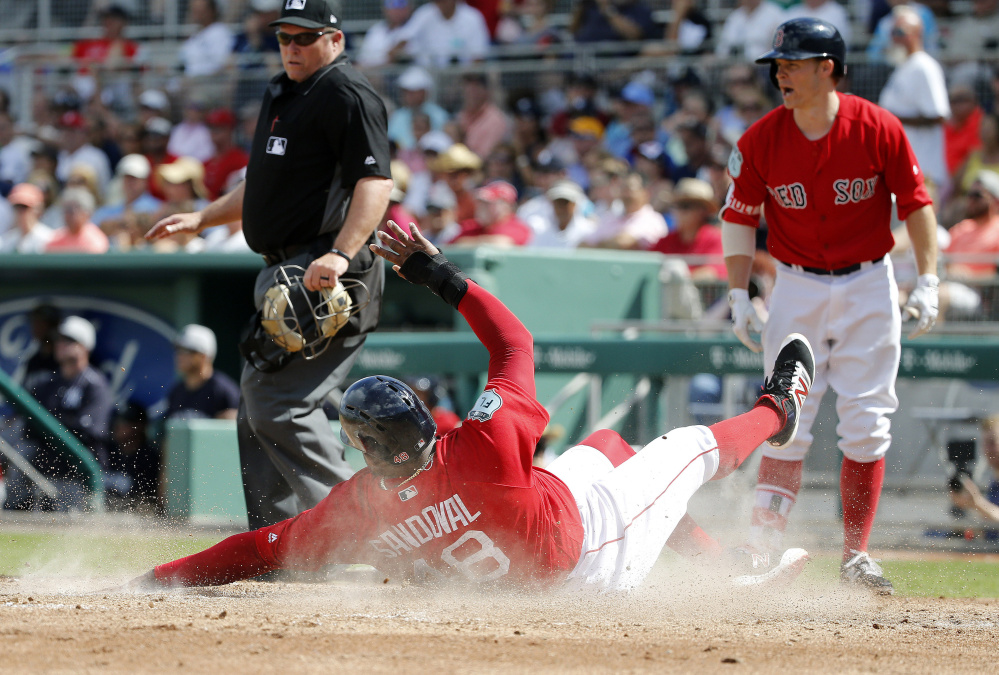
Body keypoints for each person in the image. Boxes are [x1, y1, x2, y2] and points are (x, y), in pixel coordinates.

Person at [127, 221, 816, 592]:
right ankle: (778, 409)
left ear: (365, 450)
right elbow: (514, 340)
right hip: (588, 559)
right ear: (425, 421)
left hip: (515, 569)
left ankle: (715, 565)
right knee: (687, 448)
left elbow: (256, 548)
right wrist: (436, 274)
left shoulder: (361, 505)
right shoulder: (479, 441)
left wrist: (157, 578)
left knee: (606, 446)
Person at [145, 0, 393, 530]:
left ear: (336, 40)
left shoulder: (346, 93)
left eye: (304, 37)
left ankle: (365, 531)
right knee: (258, 407)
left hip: (329, 272)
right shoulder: (285, 91)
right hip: (286, 269)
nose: (292, 47)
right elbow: (262, 183)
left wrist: (340, 253)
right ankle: (282, 542)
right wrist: (203, 218)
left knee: (282, 404)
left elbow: (376, 183)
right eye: (285, 37)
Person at [721, 18, 940, 595]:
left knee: (867, 423)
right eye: (778, 65)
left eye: (793, 63)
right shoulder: (761, 138)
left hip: (870, 282)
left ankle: (856, 555)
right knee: (783, 421)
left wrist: (930, 279)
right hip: (796, 284)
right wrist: (738, 293)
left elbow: (917, 205)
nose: (781, 73)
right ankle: (760, 545)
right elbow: (739, 218)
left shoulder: (878, 127)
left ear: (828, 67)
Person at [3, 316, 113, 511]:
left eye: (68, 340)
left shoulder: (95, 385)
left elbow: (89, 431)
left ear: (85, 346)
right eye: (58, 340)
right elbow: (30, 427)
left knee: (73, 533)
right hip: (43, 473)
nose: (60, 345)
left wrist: (52, 424)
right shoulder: (48, 384)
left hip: (77, 477)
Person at [877, 6, 950, 195]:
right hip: (905, 170)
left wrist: (892, 119)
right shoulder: (904, 66)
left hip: (924, 172)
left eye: (900, 32)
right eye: (893, 32)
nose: (895, 38)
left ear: (917, 33)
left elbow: (938, 116)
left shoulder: (924, 67)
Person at [648, 178, 726, 280]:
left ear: (703, 211)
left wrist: (677, 279)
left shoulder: (716, 238)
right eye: (676, 206)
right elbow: (647, 269)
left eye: (686, 206)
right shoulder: (666, 241)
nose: (679, 212)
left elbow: (713, 273)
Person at [165, 324, 240, 421]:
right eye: (178, 350)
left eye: (186, 351)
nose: (179, 356)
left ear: (203, 356)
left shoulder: (224, 391)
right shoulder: (176, 392)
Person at [396, 0, 491, 69]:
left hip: (464, 74)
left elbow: (479, 55)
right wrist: (388, 59)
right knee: (413, 82)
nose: (440, 4)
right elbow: (404, 38)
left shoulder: (472, 16)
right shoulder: (424, 13)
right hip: (429, 72)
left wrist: (465, 76)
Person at [447, 180, 532, 246]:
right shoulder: (472, 226)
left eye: (487, 204)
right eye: (480, 203)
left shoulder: (516, 226)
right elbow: (449, 246)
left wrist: (466, 242)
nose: (481, 208)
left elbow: (502, 244)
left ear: (506, 206)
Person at [524, 179, 596, 249]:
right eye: (558, 203)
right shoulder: (539, 231)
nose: (561, 208)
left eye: (565, 203)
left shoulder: (588, 231)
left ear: (574, 205)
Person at [714, 0, 786, 61]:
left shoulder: (775, 14)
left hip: (763, 64)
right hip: (733, 62)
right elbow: (724, 45)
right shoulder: (735, 16)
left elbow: (779, 47)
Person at [45, 187, 110, 253]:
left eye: (71, 211)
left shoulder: (95, 238)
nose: (68, 215)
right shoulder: (57, 237)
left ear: (86, 213)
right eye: (66, 210)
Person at [0, 182, 54, 253]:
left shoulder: (49, 239)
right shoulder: (6, 240)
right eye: (17, 207)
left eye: (25, 207)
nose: (20, 212)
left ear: (37, 209)